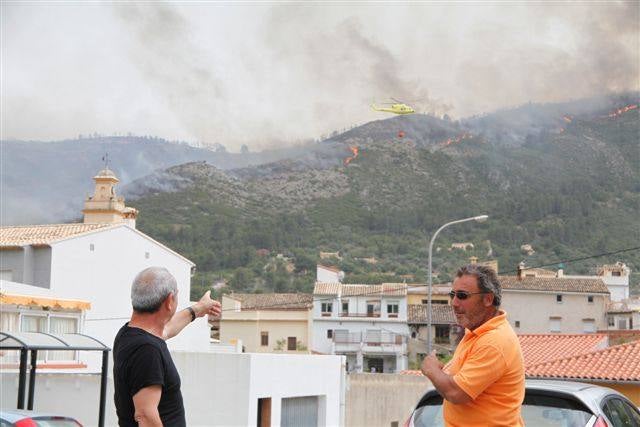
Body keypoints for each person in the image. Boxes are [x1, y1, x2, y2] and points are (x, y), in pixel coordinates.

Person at [113, 266, 222, 427]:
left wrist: (198, 309)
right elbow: (145, 416)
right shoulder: (147, 350)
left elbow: (167, 328)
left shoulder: (129, 334)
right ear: (170, 300)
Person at [421, 264, 524, 427]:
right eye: (452, 295)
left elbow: (456, 392)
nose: (454, 303)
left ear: (488, 299)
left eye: (462, 296)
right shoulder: (475, 333)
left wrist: (431, 369)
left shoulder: (494, 341)